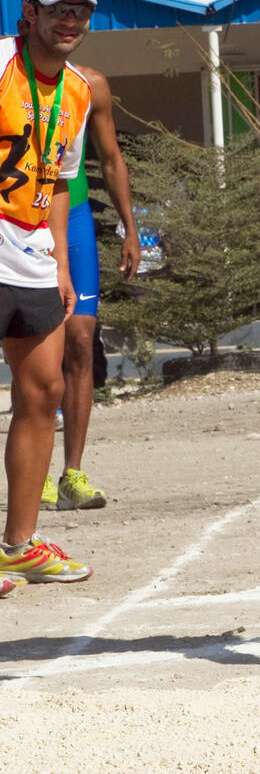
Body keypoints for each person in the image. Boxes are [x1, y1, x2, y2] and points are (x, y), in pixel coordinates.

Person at [0, 0, 97, 589]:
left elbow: (60, 181)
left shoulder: (78, 91)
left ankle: (17, 545)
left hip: (33, 251)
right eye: (60, 9)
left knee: (44, 391)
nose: (70, 21)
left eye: (81, 11)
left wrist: (62, 263)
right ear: (30, 11)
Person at [40, 77, 140, 513]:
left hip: (75, 215)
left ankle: (72, 474)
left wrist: (129, 227)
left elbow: (111, 158)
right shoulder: (9, 77)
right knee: (35, 347)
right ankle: (35, 472)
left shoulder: (90, 85)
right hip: (22, 218)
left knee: (80, 338)